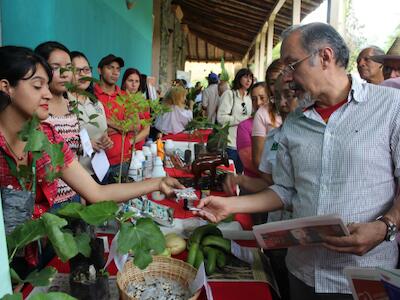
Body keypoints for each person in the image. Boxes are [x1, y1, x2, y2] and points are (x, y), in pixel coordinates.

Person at [195, 23, 400, 299]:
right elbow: (284, 190)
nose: (288, 78)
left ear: (325, 57)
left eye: (293, 65)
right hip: (303, 274)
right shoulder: (295, 121)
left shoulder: (390, 106)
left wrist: (383, 227)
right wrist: (230, 204)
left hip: (363, 278)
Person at [0, 46, 183, 219]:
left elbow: (97, 192)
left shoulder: (48, 138)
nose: (47, 94)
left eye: (47, 86)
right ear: (6, 87)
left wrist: (158, 183)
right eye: (38, 86)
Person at [34, 41, 80, 208]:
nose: (64, 73)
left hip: (74, 196)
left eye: (68, 66)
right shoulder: (35, 110)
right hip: (47, 204)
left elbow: (74, 155)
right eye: (55, 67)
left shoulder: (72, 106)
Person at [68, 51, 113, 182]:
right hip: (76, 176)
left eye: (86, 70)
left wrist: (106, 140)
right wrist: (85, 145)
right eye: (77, 70)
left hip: (99, 169)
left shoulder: (96, 102)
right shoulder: (64, 102)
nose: (83, 74)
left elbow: (103, 132)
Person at [94, 54, 132, 181]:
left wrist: (105, 121)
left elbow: (134, 125)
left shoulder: (124, 97)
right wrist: (121, 128)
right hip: (95, 161)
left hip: (122, 160)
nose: (115, 72)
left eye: (118, 69)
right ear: (100, 70)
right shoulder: (91, 95)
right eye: (110, 68)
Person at [217, 68, 253, 174]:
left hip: (245, 144)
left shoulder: (249, 97)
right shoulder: (229, 94)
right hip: (231, 143)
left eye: (250, 77)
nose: (248, 80)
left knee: (241, 174)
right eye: (245, 77)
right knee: (229, 174)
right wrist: (243, 119)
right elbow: (221, 118)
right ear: (239, 78)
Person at [251, 60, 283, 171]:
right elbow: (258, 160)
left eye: (282, 78)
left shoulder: (305, 109)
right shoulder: (262, 114)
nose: (279, 85)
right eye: (273, 83)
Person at [236, 82, 267, 181]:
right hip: (252, 185)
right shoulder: (244, 126)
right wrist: (276, 179)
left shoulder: (281, 122)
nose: (258, 103)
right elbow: (249, 162)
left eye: (262, 98)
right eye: (254, 99)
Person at [121, 68, 150, 150]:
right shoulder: (118, 99)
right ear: (124, 82)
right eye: (130, 80)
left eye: (137, 81)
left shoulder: (143, 102)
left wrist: (130, 142)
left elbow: (147, 130)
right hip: (121, 147)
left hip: (138, 147)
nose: (134, 84)